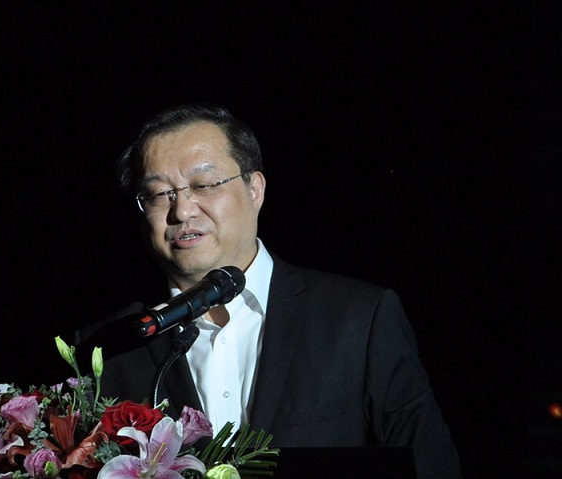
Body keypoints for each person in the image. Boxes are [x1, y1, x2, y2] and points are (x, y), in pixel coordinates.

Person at [73, 102, 461, 478]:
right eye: (159, 194)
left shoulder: (359, 320)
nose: (182, 211)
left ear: (255, 189)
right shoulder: (108, 348)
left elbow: (429, 466)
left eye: (203, 185)